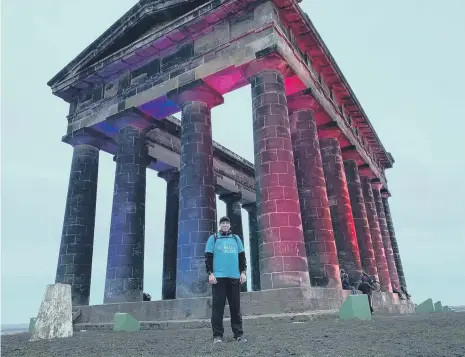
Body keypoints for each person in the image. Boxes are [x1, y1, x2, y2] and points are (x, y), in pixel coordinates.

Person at [205, 216, 248, 343]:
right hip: (219, 278)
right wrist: (210, 273)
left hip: (234, 277)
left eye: (226, 223)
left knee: (235, 308)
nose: (224, 225)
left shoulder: (236, 239)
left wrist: (243, 272)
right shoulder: (213, 238)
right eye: (222, 223)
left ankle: (238, 334)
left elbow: (242, 257)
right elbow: (208, 257)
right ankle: (217, 335)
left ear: (229, 226)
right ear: (220, 225)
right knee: (218, 308)